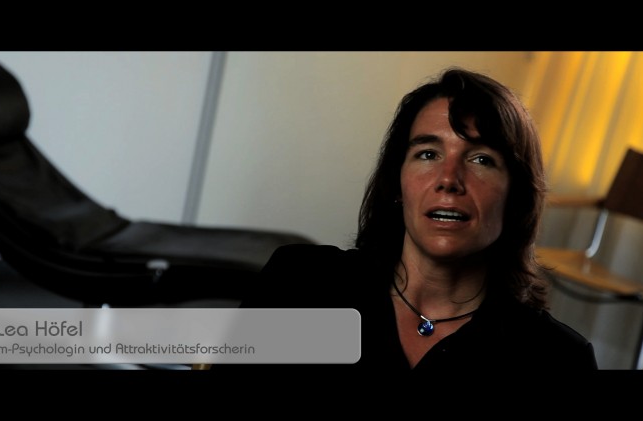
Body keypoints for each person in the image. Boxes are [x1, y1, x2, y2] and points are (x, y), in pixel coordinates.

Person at [219, 67, 598, 373]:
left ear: (515, 197)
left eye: (481, 159)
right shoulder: (300, 283)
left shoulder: (556, 358)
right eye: (428, 154)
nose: (449, 179)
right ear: (398, 183)